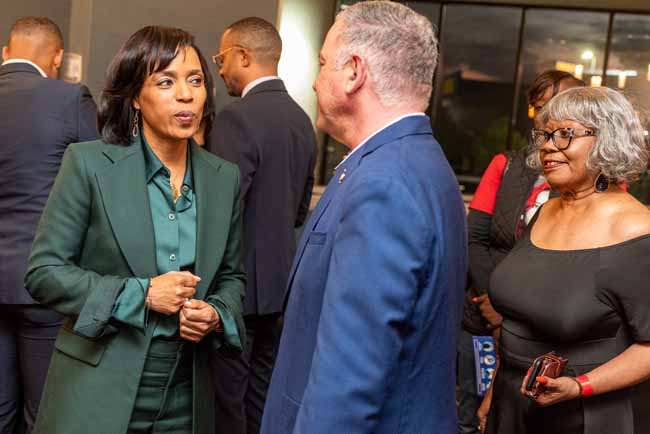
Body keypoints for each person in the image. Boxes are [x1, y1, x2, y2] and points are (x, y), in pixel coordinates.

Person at [24, 26, 246, 434]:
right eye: (166, 81)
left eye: (195, 80)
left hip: (187, 395)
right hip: (98, 390)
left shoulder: (222, 178)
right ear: (135, 99)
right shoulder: (89, 165)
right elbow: (44, 273)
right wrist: (142, 294)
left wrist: (215, 313)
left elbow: (232, 276)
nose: (186, 95)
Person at [261, 2, 467, 434]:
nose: (315, 82)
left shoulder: (384, 183)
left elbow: (349, 379)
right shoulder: (408, 161)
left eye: (322, 64)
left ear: (354, 73)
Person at [482, 86, 650, 434]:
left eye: (565, 134)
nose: (547, 145)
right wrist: (494, 393)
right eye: (545, 134)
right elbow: (520, 321)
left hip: (586, 415)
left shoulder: (636, 229)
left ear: (607, 141)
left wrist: (579, 386)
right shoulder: (545, 212)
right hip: (512, 403)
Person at [207, 17, 316, 434]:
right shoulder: (301, 120)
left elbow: (223, 210)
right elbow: (300, 210)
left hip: (235, 289)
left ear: (243, 56)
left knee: (225, 402)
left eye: (222, 57)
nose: (219, 69)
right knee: (263, 397)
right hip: (280, 285)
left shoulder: (237, 119)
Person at [461, 70, 584, 434]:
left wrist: (512, 315)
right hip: (483, 318)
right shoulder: (505, 165)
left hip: (544, 334)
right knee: (471, 413)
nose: (546, 118)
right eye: (539, 109)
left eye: (556, 108)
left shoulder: (595, 183)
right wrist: (493, 305)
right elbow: (475, 238)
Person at [0, 16, 98, 434]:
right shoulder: (68, 99)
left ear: (6, 51)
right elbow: (99, 182)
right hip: (42, 278)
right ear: (57, 57)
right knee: (44, 411)